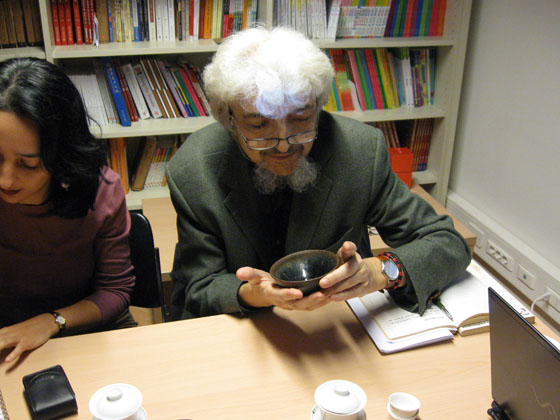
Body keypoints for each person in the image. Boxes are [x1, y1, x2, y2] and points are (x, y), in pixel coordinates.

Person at [167, 27, 471, 320]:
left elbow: (447, 242)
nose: (284, 144)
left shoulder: (361, 151)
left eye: (300, 118)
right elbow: (197, 288)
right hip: (246, 332)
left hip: (337, 325)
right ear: (229, 119)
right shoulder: (194, 170)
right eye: (259, 126)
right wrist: (251, 295)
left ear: (318, 105)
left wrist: (380, 272)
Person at [0, 57, 137, 363]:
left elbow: (115, 290)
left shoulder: (100, 190)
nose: (6, 179)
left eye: (28, 164)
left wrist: (50, 322)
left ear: (62, 153)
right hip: (6, 335)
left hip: (87, 329)